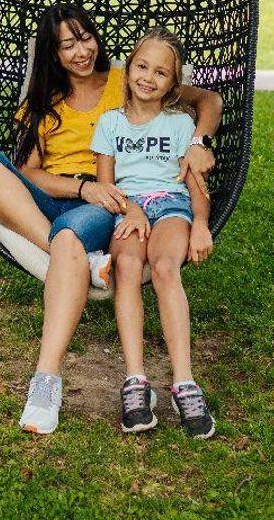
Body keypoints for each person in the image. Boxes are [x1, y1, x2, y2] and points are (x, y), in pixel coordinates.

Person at [0, 5, 220, 435]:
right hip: (62, 197)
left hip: (106, 201)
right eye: (67, 45)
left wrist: (198, 142)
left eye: (85, 39)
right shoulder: (42, 103)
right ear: (53, 53)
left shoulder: (125, 81)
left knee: (69, 236)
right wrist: (81, 189)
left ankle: (45, 383)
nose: (81, 52)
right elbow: (29, 173)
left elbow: (208, 100)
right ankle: (81, 259)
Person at [92, 31, 219, 440]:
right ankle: (136, 381)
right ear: (128, 68)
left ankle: (184, 383)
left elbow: (195, 185)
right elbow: (106, 186)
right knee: (128, 265)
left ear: (173, 83)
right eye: (142, 66)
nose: (148, 77)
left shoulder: (180, 124)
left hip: (171, 206)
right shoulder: (110, 123)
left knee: (164, 268)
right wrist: (130, 208)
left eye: (161, 73)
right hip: (128, 207)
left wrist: (201, 224)